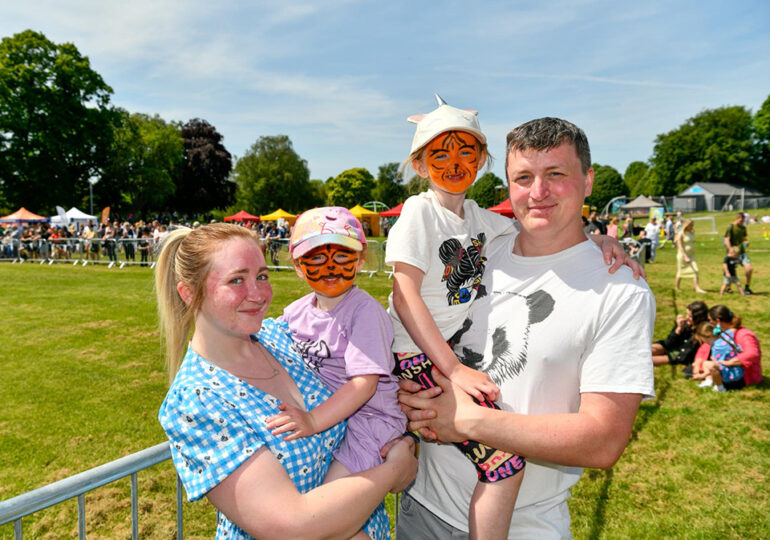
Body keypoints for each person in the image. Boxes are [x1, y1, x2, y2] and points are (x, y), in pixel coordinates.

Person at [397, 117, 654, 538]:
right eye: (524, 177)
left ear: (588, 180)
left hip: (523, 525)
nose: (538, 192)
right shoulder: (484, 248)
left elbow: (604, 439)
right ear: (507, 185)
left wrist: (465, 421)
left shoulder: (620, 292)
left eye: (556, 174)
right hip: (423, 508)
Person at [156, 223, 417, 540]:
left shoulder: (283, 338)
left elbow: (358, 379)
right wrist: (392, 472)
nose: (257, 294)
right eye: (236, 280)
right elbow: (292, 527)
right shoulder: (197, 401)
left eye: (262, 277)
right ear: (189, 293)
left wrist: (403, 394)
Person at [386, 96, 525, 538]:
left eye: (466, 151)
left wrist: (597, 241)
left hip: (445, 357)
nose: (454, 162)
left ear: (483, 161)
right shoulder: (418, 212)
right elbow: (404, 294)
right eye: (439, 154)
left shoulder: (479, 219)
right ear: (421, 165)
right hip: (417, 357)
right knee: (504, 463)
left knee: (504, 461)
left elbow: (540, 231)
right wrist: (452, 369)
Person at [267, 207, 406, 537]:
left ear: (359, 262)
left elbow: (364, 385)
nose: (330, 267)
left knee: (322, 518)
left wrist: (312, 421)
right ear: (299, 268)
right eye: (315, 258)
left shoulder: (364, 313)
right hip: (336, 419)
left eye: (342, 256)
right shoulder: (297, 312)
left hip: (369, 422)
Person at [699, 305, 762, 390]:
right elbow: (706, 347)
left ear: (717, 321)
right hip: (729, 370)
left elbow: (753, 354)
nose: (709, 323)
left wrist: (728, 362)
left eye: (710, 320)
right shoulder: (723, 333)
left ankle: (719, 386)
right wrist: (699, 362)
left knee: (711, 366)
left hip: (744, 375)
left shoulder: (744, 334)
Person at [651, 300, 709, 368]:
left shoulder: (702, 331)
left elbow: (687, 353)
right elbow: (668, 343)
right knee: (644, 350)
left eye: (690, 316)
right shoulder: (684, 324)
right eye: (686, 314)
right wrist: (678, 329)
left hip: (679, 353)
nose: (687, 318)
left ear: (698, 318)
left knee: (646, 360)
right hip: (670, 347)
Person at [724, 213, 752, 294]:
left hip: (742, 253)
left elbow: (745, 238)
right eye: (741, 220)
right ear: (737, 218)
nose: (742, 222)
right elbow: (726, 239)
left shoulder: (743, 228)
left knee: (749, 269)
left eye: (743, 220)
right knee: (731, 271)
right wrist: (730, 250)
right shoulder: (731, 227)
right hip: (733, 254)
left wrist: (746, 242)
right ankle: (728, 288)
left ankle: (747, 287)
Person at [675, 219, 706, 293]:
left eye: (692, 225)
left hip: (691, 255)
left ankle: (697, 288)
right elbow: (680, 246)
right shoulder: (681, 233)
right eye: (691, 225)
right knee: (680, 272)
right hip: (682, 256)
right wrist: (685, 256)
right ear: (686, 225)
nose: (692, 226)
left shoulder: (691, 232)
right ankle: (677, 287)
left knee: (695, 270)